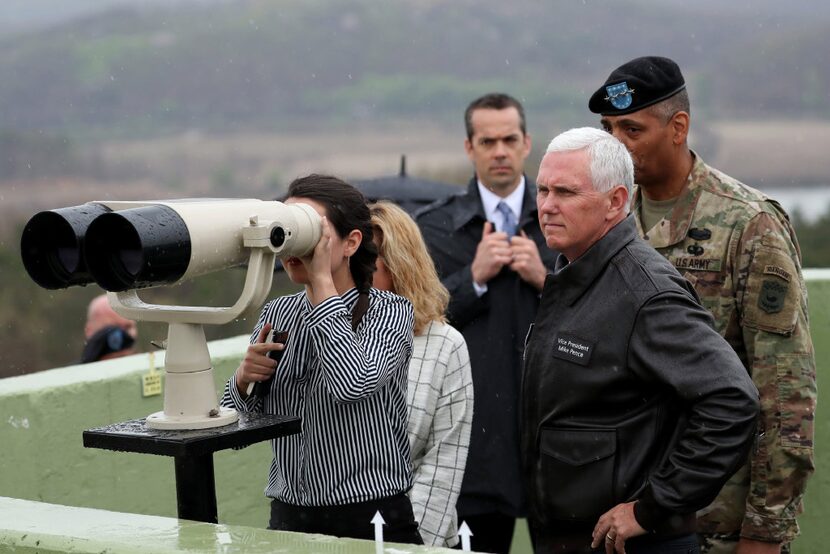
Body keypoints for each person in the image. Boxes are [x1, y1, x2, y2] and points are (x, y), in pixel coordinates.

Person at [590, 56, 817, 554]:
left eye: (632, 128)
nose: (617, 145)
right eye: (607, 129)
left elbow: (785, 397)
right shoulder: (610, 219)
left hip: (715, 523)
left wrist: (763, 534)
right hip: (624, 517)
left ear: (678, 128)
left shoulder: (748, 225)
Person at [522, 127, 760, 554]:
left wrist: (651, 508)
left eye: (565, 192)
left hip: (634, 544)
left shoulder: (645, 293)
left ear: (615, 201)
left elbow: (733, 402)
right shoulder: (575, 274)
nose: (547, 206)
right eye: (542, 190)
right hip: (568, 539)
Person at [220, 174, 422, 544]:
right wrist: (242, 379)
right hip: (290, 515)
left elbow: (353, 384)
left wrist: (323, 287)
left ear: (351, 243)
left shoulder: (390, 313)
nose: (298, 245)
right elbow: (232, 432)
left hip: (370, 515)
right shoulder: (278, 314)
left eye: (311, 231)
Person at [416, 92, 557, 554]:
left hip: (558, 437)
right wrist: (471, 280)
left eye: (509, 139)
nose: (500, 151)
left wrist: (547, 280)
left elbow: (607, 312)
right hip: (473, 441)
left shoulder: (566, 219)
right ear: (469, 147)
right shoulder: (434, 230)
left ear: (526, 143)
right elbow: (411, 318)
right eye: (488, 140)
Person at [369, 200, 474, 548]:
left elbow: (442, 467)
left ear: (400, 267)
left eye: (370, 265)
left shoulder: (446, 346)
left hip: (418, 538)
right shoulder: (332, 333)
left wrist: (407, 545)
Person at [81, 293, 138, 363]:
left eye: (127, 327)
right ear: (89, 330)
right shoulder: (72, 372)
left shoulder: (150, 364)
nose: (124, 336)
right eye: (113, 329)